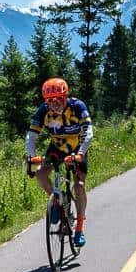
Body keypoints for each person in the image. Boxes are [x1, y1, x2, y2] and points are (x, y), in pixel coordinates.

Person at [26, 77, 93, 247]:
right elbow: (31, 135)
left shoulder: (77, 106)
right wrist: (31, 155)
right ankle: (56, 200)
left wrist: (80, 154)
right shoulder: (43, 111)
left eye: (58, 99)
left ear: (65, 96)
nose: (54, 103)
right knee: (41, 175)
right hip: (56, 147)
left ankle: (79, 227)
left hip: (78, 147)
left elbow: (88, 132)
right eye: (50, 100)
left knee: (79, 186)